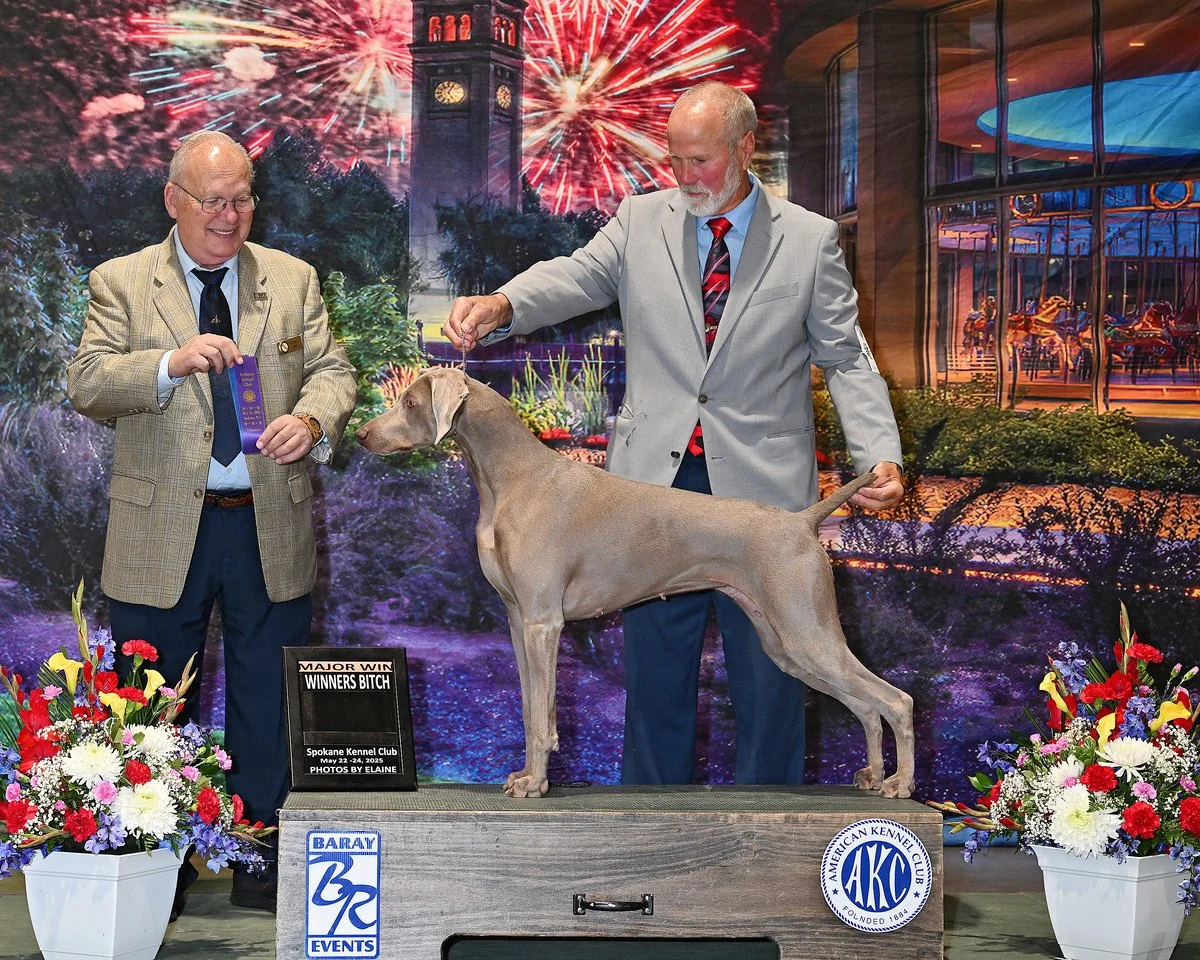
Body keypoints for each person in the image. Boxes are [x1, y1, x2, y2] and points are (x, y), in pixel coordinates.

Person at [443, 81, 904, 787]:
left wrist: (878, 456)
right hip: (646, 495)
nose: (685, 176)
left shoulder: (810, 240)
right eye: (675, 159)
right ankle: (648, 834)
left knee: (773, 683)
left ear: (746, 148)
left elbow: (847, 359)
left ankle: (765, 836)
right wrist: (504, 303)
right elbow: (575, 277)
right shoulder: (639, 220)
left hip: (761, 497)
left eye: (701, 160)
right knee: (655, 683)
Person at [66, 131, 356, 914]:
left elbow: (333, 370)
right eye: (213, 201)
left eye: (242, 200)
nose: (229, 216)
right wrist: (169, 362)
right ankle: (155, 870)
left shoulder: (292, 279)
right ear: (174, 200)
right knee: (151, 709)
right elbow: (87, 381)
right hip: (160, 530)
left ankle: (259, 863)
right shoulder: (122, 282)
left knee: (269, 704)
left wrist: (310, 420)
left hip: (267, 524)